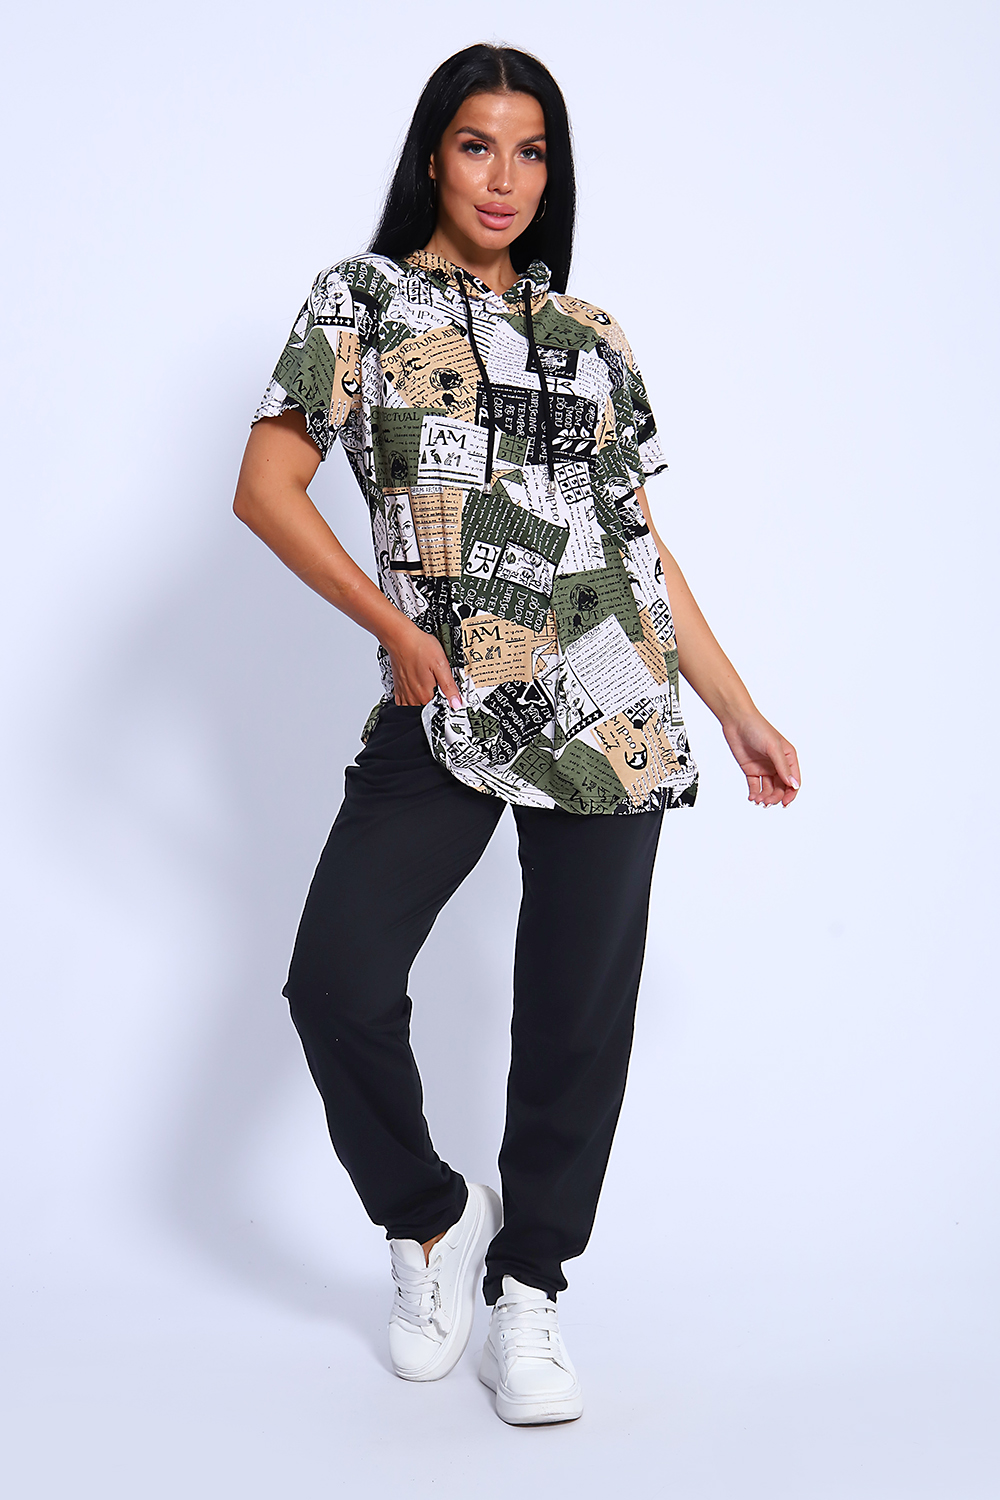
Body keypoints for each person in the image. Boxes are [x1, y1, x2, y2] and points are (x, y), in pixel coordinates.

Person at [233, 43, 800, 1427]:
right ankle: (432, 1218)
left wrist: (735, 708)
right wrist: (394, 622)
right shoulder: (362, 302)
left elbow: (639, 550)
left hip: (611, 709)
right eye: (478, 145)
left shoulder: (590, 336)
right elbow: (266, 488)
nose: (504, 177)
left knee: (573, 1018)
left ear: (554, 172)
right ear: (433, 155)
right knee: (335, 982)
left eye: (531, 151)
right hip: (443, 704)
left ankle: (531, 1288)